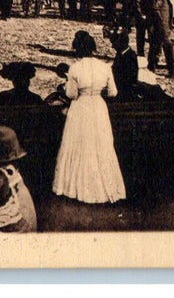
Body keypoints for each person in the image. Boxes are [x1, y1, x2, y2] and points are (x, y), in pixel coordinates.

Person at [52, 30, 126, 204]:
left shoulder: (75, 68)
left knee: (80, 145)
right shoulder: (105, 66)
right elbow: (113, 92)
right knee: (101, 144)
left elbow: (71, 94)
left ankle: (78, 187)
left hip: (81, 107)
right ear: (92, 47)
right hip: (98, 106)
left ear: (77, 49)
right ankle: (104, 187)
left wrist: (66, 87)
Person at [143, 0, 174, 76]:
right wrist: (162, 27)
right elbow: (156, 10)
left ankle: (151, 68)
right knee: (167, 47)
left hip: (160, 25)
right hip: (160, 26)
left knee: (155, 47)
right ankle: (171, 70)